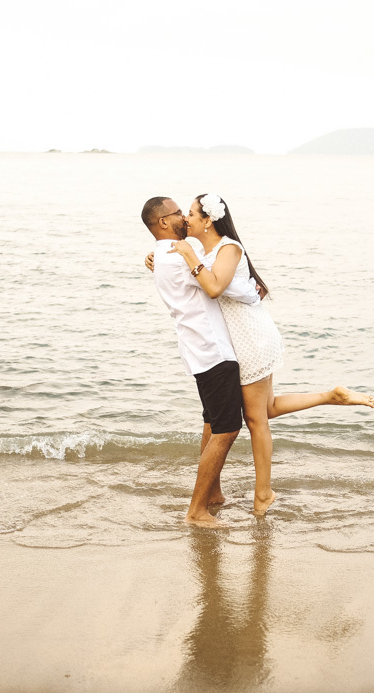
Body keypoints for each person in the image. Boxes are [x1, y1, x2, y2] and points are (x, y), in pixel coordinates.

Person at [151, 194, 374, 515]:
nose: (186, 218)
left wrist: (188, 257)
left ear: (208, 219)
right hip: (240, 341)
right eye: (183, 213)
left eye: (191, 213)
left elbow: (214, 286)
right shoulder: (204, 249)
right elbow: (200, 275)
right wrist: (160, 257)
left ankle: (263, 494)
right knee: (265, 410)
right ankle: (331, 396)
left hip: (251, 340)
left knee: (256, 420)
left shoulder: (228, 248)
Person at [141, 195, 259, 526]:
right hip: (212, 350)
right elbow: (217, 283)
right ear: (163, 222)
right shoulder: (179, 257)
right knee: (227, 429)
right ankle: (196, 511)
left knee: (211, 423)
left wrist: (156, 256)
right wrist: (252, 290)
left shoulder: (167, 254)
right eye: (178, 212)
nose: (184, 217)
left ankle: (214, 494)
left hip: (198, 350)